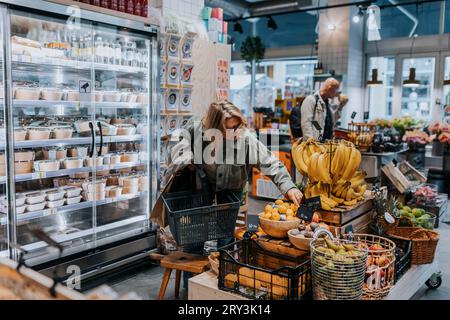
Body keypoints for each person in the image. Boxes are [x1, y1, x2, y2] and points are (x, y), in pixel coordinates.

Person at [165, 100, 303, 288]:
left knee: (226, 237)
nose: (238, 132)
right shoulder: (196, 129)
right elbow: (175, 148)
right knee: (194, 238)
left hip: (231, 185)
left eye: (239, 126)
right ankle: (191, 288)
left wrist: (289, 187)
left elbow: (270, 162)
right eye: (231, 129)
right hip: (200, 184)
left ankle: (224, 283)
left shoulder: (246, 139)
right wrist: (185, 157)